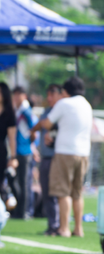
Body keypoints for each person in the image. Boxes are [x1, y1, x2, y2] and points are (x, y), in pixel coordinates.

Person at [31, 77, 92, 237]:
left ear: (65, 91)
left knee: (63, 191)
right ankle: (78, 229)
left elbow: (48, 123)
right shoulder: (87, 104)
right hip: (84, 152)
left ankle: (63, 228)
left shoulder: (64, 104)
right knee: (77, 192)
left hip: (65, 152)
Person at [35, 84, 61, 235]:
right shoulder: (46, 111)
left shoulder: (62, 110)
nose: (49, 98)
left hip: (57, 157)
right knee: (46, 192)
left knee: (56, 193)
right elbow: (41, 125)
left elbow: (46, 125)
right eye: (48, 94)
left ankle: (57, 225)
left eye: (53, 94)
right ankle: (53, 224)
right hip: (45, 157)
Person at [11, 86, 36, 219]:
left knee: (24, 182)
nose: (16, 97)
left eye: (18, 94)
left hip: (25, 152)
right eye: (14, 94)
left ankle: (24, 211)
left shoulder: (26, 111)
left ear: (24, 96)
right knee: (14, 180)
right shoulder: (17, 110)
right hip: (16, 151)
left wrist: (30, 145)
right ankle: (19, 209)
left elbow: (34, 130)